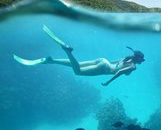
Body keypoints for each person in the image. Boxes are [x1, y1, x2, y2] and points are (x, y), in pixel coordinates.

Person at [13, 25, 145, 86]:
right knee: (78, 71)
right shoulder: (132, 66)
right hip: (104, 69)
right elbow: (119, 72)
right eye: (141, 61)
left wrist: (105, 65)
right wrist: (108, 82)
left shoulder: (126, 57)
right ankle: (67, 51)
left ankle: (51, 60)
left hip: (103, 61)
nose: (141, 62)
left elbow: (112, 62)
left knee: (75, 65)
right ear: (139, 60)